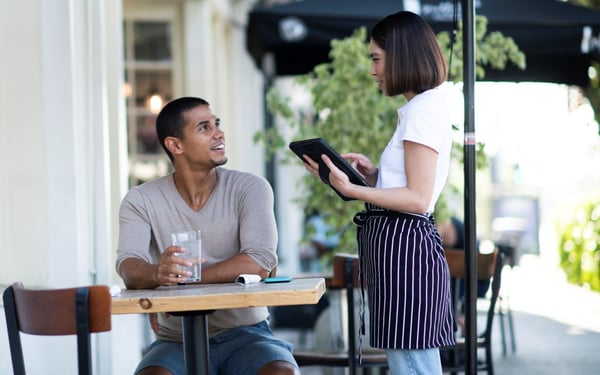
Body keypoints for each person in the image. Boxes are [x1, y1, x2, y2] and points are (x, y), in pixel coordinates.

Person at [301, 11, 455, 374]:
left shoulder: (423, 111)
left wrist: (354, 189)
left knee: (412, 365)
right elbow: (411, 189)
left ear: (401, 55)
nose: (372, 70)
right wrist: (373, 177)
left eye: (376, 58)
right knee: (409, 361)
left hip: (406, 252)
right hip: (400, 251)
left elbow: (417, 199)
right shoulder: (420, 109)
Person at [116, 97, 300, 375]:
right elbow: (129, 266)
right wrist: (157, 273)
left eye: (217, 124)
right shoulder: (140, 200)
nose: (219, 133)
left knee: (280, 373)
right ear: (175, 145)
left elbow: (259, 260)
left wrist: (187, 277)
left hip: (247, 334)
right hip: (175, 340)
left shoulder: (251, 188)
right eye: (204, 127)